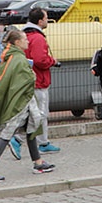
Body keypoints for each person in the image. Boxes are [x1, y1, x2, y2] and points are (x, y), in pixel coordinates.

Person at [0, 29, 55, 183]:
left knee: (32, 127)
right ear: (17, 42)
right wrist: (32, 76)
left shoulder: (12, 57)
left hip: (24, 101)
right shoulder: (19, 59)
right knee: (7, 134)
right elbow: (25, 81)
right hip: (21, 103)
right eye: (24, 39)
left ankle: (38, 163)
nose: (27, 41)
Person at [22, 8, 61, 154]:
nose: (47, 20)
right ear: (40, 21)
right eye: (46, 18)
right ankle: (39, 142)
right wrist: (52, 61)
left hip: (28, 79)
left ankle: (34, 141)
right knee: (40, 113)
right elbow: (40, 60)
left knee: (31, 113)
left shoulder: (24, 35)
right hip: (39, 80)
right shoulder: (37, 38)